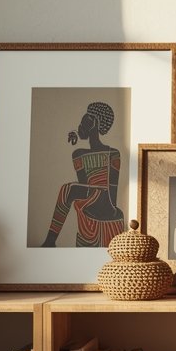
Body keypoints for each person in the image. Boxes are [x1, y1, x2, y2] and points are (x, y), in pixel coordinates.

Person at [41, 101, 125, 247]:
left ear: (94, 122)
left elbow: (113, 190)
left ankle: (50, 241)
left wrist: (110, 209)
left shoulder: (113, 153)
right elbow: (84, 184)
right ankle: (50, 241)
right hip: (90, 199)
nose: (80, 124)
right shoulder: (78, 154)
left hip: (106, 200)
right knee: (70, 190)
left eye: (85, 119)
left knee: (68, 189)